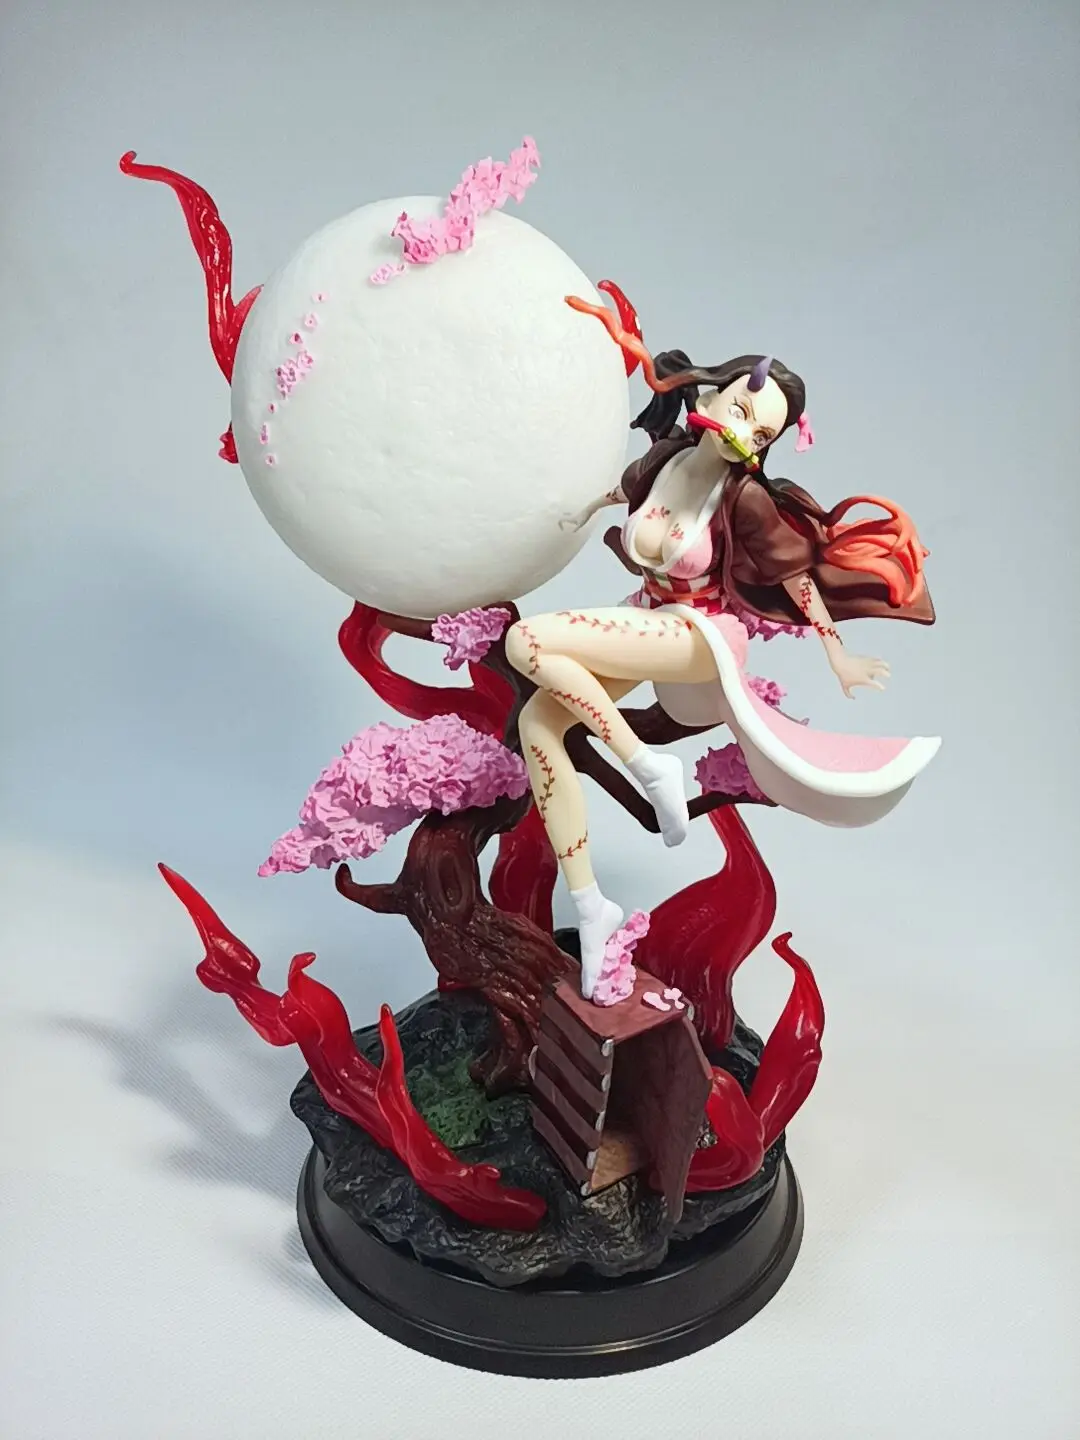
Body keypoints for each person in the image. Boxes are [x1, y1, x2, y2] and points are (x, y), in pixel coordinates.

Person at [505, 298, 939, 998]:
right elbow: (616, 494)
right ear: (709, 396)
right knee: (538, 723)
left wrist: (836, 653)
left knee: (526, 641)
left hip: (700, 637)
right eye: (741, 409)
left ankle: (648, 765)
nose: (744, 432)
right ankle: (590, 906)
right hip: (646, 620)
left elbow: (795, 577)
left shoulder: (746, 499)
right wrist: (570, 510)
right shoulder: (664, 460)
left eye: (761, 432)